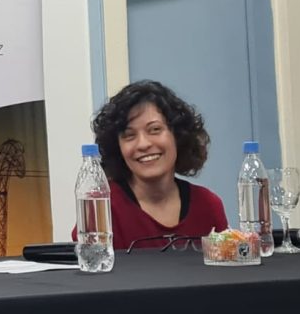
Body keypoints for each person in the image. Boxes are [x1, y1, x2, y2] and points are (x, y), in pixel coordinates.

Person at [80, 80, 228, 250]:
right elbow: (90, 261)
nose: (143, 144)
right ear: (117, 147)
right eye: (129, 135)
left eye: (155, 130)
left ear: (178, 136)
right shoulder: (101, 207)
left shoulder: (208, 206)